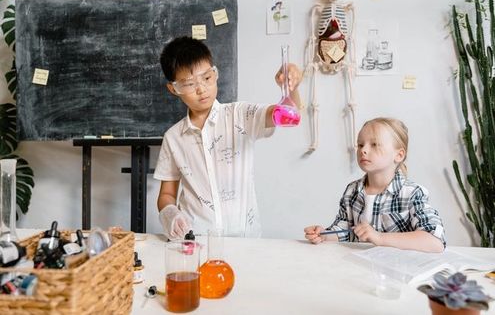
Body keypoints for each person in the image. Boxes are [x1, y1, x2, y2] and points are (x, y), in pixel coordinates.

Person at [154, 36, 302, 239]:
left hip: (244, 241)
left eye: (207, 78)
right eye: (189, 84)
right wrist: (170, 214)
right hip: (196, 240)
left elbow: (287, 115)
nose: (201, 89)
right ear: (174, 89)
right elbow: (167, 195)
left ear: (215, 74)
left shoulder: (240, 115)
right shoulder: (173, 138)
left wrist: (291, 88)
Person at [304, 117, 445, 253]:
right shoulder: (352, 190)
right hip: (358, 269)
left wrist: (379, 237)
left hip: (397, 272)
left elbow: (435, 241)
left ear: (399, 155)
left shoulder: (412, 193)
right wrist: (325, 235)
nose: (363, 150)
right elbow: (345, 230)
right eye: (360, 145)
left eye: (374, 144)